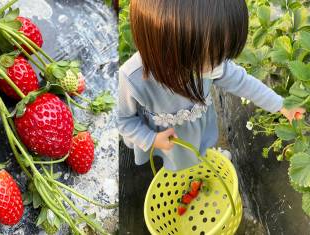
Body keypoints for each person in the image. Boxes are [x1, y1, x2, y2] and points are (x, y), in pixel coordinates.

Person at [117, 0, 305, 171]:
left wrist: (281, 105)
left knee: (200, 148)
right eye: (211, 57)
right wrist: (152, 140)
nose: (218, 65)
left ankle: (203, 157)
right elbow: (124, 121)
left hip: (198, 129)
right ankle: (185, 170)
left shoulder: (210, 63)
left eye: (221, 55)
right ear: (166, 46)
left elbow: (243, 82)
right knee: (176, 164)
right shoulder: (133, 78)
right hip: (168, 142)